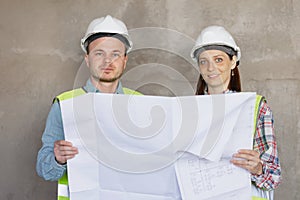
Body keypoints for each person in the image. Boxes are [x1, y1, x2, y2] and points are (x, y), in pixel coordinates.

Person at [36, 15, 142, 200]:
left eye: (115, 54)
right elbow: (45, 171)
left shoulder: (141, 104)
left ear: (125, 60)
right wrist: (57, 158)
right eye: (99, 53)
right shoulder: (65, 105)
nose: (107, 61)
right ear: (87, 59)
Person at [190, 26, 281, 200]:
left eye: (218, 60)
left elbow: (274, 177)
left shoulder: (254, 108)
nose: (211, 68)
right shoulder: (187, 110)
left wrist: (258, 168)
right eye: (204, 61)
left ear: (233, 62)